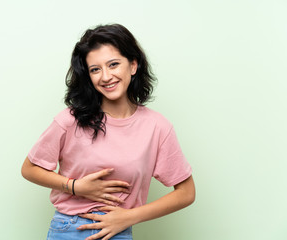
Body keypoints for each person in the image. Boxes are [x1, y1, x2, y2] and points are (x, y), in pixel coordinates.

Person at [21, 23, 195, 240]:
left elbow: (187, 193)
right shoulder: (70, 119)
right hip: (68, 229)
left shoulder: (157, 127)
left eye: (113, 64)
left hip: (119, 232)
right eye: (95, 69)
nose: (105, 77)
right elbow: (29, 169)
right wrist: (75, 187)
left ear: (133, 65)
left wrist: (131, 217)